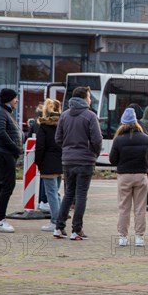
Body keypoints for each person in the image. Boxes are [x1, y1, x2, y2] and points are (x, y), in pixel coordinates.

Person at [53, 86, 102, 240]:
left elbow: (58, 138)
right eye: (89, 96)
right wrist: (94, 153)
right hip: (85, 161)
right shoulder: (90, 116)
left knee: (68, 194)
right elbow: (97, 139)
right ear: (84, 98)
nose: (90, 99)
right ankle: (76, 230)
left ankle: (59, 227)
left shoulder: (64, 115)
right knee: (81, 195)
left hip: (67, 160)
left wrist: (67, 149)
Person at [110, 108, 148, 247]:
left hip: (124, 176)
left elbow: (112, 160)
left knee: (124, 207)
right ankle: (139, 237)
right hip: (141, 176)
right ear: (136, 122)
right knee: (140, 208)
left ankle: (123, 237)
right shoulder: (146, 139)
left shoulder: (118, 140)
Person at [0, 88, 22, 233]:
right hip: (3, 153)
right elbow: (1, 132)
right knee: (8, 185)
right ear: (9, 99)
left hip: (5, 153)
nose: (17, 100)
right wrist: (15, 148)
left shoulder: (5, 112)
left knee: (0, 185)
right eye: (15, 98)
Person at [35, 99, 63, 232]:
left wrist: (38, 162)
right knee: (56, 193)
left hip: (47, 163)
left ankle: (55, 221)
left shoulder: (44, 126)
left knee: (51, 193)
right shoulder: (63, 125)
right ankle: (60, 218)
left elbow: (40, 146)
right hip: (61, 162)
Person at [26, 102, 48, 211]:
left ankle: (40, 201)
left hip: (36, 152)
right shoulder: (47, 122)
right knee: (46, 179)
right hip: (47, 154)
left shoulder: (35, 122)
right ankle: (43, 201)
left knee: (40, 178)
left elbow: (29, 137)